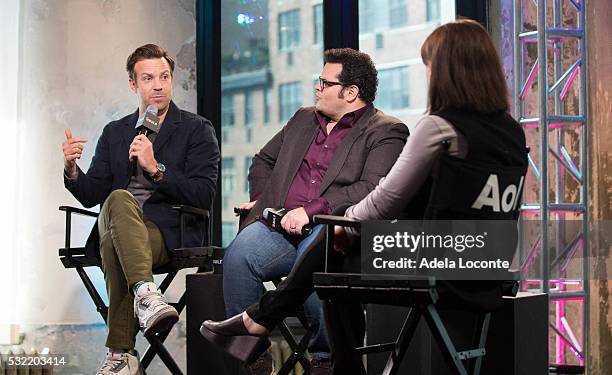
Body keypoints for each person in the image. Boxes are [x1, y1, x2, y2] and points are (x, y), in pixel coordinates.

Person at [200, 19, 528, 374]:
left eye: (430, 67)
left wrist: (346, 225)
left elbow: (385, 198)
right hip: (487, 264)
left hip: (435, 266)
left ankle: (276, 330)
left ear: (448, 71)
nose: (428, 76)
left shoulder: (436, 127)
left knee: (331, 248)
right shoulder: (511, 132)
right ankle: (267, 325)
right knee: (329, 248)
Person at [221, 48, 409, 373]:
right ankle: (255, 357)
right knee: (239, 256)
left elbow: (370, 189)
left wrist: (310, 211)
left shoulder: (385, 131)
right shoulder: (303, 119)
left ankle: (324, 360)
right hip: (280, 227)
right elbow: (263, 161)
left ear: (351, 92)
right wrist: (267, 199)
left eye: (324, 82)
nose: (316, 88)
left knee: (320, 264)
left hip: (331, 231)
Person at [62, 44, 219, 375]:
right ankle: (147, 296)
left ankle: (120, 354)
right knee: (117, 200)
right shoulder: (116, 132)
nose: (158, 85)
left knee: (114, 243)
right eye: (148, 78)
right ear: (134, 85)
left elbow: (203, 194)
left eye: (164, 77)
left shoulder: (196, 129)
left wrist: (155, 168)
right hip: (122, 228)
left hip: (165, 232)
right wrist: (71, 169)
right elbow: (92, 195)